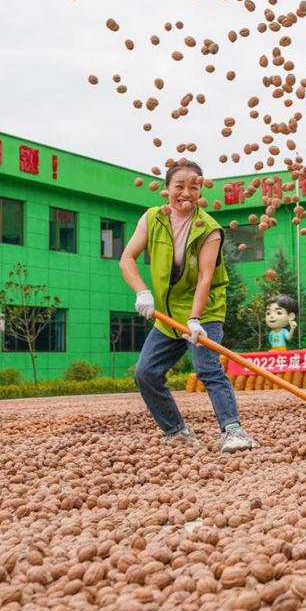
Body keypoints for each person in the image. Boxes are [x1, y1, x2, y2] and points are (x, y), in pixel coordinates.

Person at [120, 159, 256, 452]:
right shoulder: (152, 219)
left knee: (207, 368)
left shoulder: (209, 229)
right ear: (167, 189)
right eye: (179, 186)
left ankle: (234, 431)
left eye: (193, 187)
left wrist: (195, 319)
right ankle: (177, 431)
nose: (186, 193)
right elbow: (127, 258)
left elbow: (206, 277)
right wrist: (142, 291)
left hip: (203, 310)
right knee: (146, 373)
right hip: (167, 315)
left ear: (200, 191)